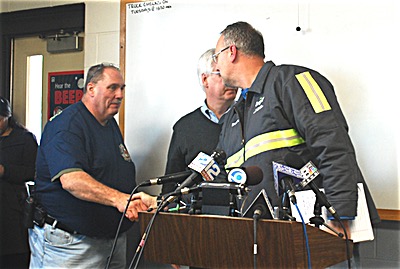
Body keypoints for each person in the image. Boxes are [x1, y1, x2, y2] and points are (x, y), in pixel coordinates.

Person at [213, 21, 380, 248]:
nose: (215, 65)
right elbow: (224, 180)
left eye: (216, 56)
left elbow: (333, 146)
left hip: (318, 231)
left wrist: (339, 214)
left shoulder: (293, 81)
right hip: (263, 239)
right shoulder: (233, 115)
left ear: (231, 52)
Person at [29, 63, 156, 269]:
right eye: (112, 87)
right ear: (91, 89)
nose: (120, 94)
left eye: (122, 88)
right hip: (71, 246)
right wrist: (120, 199)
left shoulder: (109, 123)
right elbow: (72, 180)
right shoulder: (67, 126)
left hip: (110, 240)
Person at [162, 48, 237, 196]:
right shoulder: (184, 127)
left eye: (232, 72)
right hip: (197, 214)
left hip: (242, 212)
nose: (230, 80)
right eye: (221, 73)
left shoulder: (249, 119)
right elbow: (170, 185)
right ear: (205, 80)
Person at [0, 97, 38, 269]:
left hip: (13, 214)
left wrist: (4, 171)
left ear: (7, 117)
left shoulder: (24, 139)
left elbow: (34, 172)